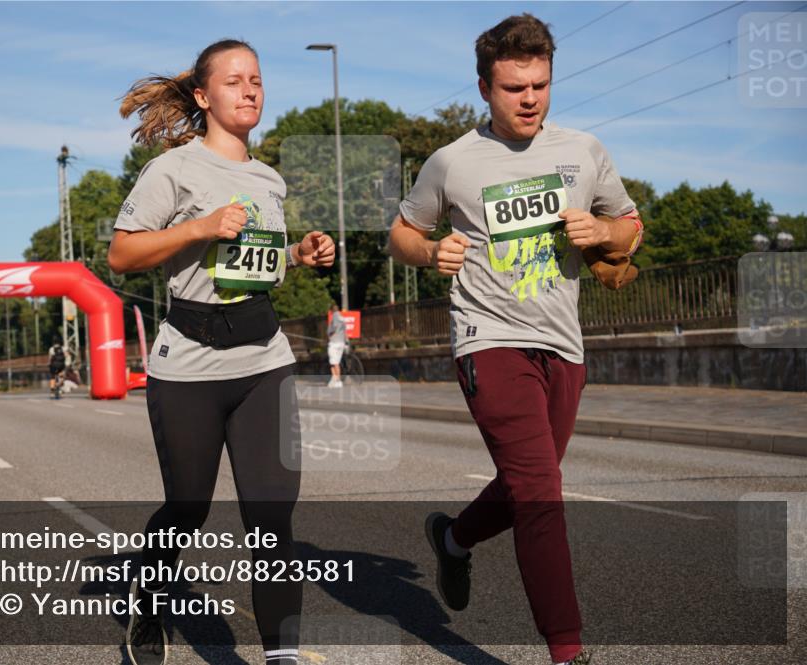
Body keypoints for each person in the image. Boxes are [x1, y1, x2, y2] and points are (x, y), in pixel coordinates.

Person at [388, 14, 643, 665]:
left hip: (562, 344)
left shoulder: (583, 151)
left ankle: (453, 538)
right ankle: (568, 651)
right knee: (541, 493)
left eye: (540, 84)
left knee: (530, 481)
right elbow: (403, 232)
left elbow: (630, 225)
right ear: (484, 88)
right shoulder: (453, 161)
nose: (529, 98)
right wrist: (430, 251)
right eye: (513, 87)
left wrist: (604, 235)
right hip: (487, 337)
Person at [109, 38, 335, 665]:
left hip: (264, 358)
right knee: (188, 508)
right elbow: (122, 254)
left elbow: (252, 268)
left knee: (271, 518)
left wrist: (298, 255)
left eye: (257, 79)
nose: (250, 89)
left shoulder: (268, 179)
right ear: (205, 97)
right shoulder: (174, 169)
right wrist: (199, 226)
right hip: (189, 361)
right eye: (234, 81)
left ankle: (280, 657)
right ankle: (148, 595)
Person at [326, 301, 346, 388]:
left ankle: (337, 380)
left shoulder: (335, 316)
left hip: (334, 342)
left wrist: (330, 334)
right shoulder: (342, 318)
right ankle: (335, 379)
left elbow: (333, 328)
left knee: (333, 362)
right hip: (341, 342)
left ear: (331, 310)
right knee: (336, 361)